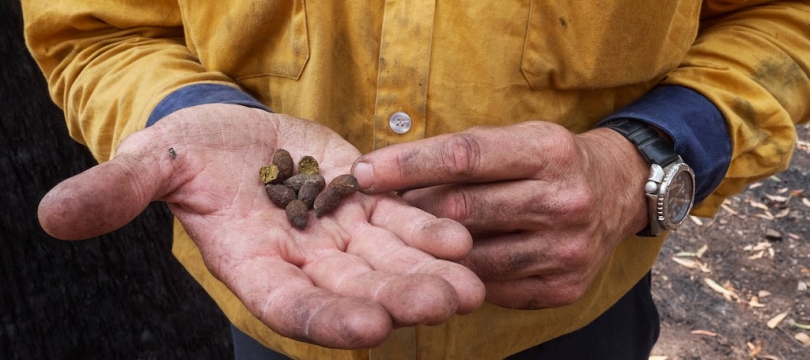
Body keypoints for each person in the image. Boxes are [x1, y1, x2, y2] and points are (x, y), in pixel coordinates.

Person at [22, 1, 809, 359]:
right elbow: (99, 29)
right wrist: (187, 110)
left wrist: (643, 159)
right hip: (273, 306)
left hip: (567, 322)